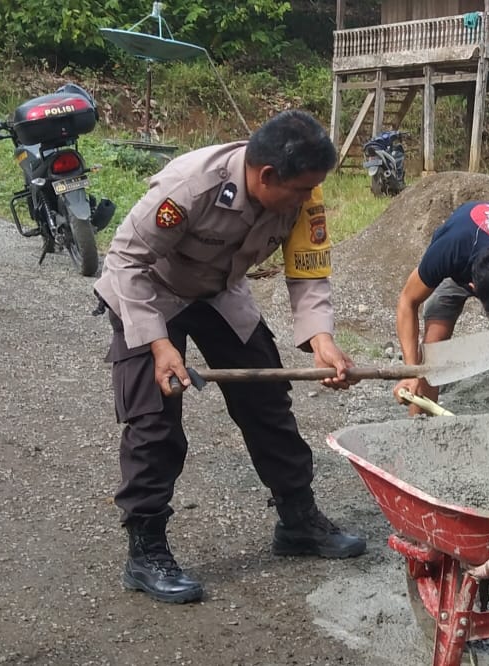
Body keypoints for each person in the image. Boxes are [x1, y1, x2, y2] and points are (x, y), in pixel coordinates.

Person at [94, 110, 367, 605]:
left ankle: (298, 520)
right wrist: (159, 345)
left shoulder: (304, 192)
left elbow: (308, 272)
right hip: (150, 293)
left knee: (266, 401)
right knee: (154, 421)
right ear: (266, 176)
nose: (308, 199)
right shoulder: (191, 187)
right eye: (301, 190)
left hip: (219, 292)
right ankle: (146, 549)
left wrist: (321, 339)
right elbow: (125, 260)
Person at [393, 201, 489, 416]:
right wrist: (411, 371)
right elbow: (407, 302)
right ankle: (420, 429)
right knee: (433, 349)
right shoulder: (449, 250)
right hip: (460, 263)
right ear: (473, 288)